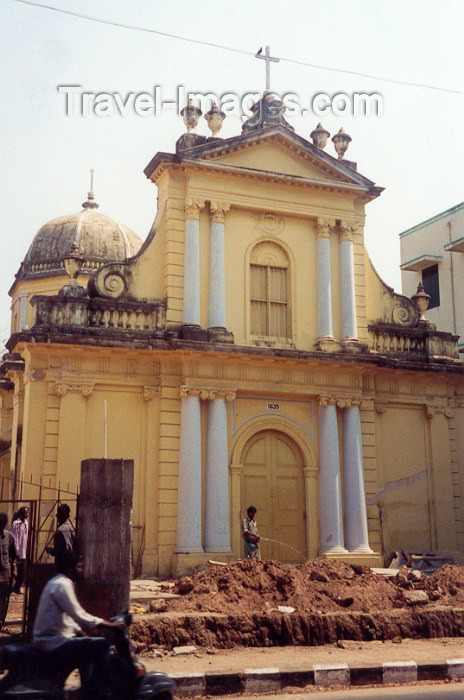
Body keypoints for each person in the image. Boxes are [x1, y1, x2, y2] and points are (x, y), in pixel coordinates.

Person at [33, 550, 123, 699]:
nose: (81, 571)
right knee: (103, 644)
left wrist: (83, 634)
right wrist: (109, 625)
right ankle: (100, 692)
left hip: (51, 639)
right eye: (79, 567)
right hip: (53, 641)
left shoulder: (56, 582)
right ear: (70, 568)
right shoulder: (63, 585)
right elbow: (79, 614)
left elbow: (67, 618)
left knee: (88, 648)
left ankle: (89, 691)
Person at [46, 503, 76, 571]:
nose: (56, 516)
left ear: (61, 516)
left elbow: (61, 551)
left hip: (63, 564)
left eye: (58, 514)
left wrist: (50, 550)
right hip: (72, 562)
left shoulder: (60, 530)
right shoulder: (72, 526)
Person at [11, 506, 28, 593]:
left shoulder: (26, 523)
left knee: (22, 571)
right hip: (17, 551)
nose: (27, 514)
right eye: (25, 513)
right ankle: (14, 587)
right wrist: (16, 551)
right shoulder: (15, 524)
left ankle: (17, 587)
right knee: (15, 570)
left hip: (23, 551)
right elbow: (14, 538)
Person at [0, 513, 16, 597]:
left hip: (5, 574)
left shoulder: (9, 536)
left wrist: (12, 574)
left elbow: (13, 556)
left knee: (4, 599)